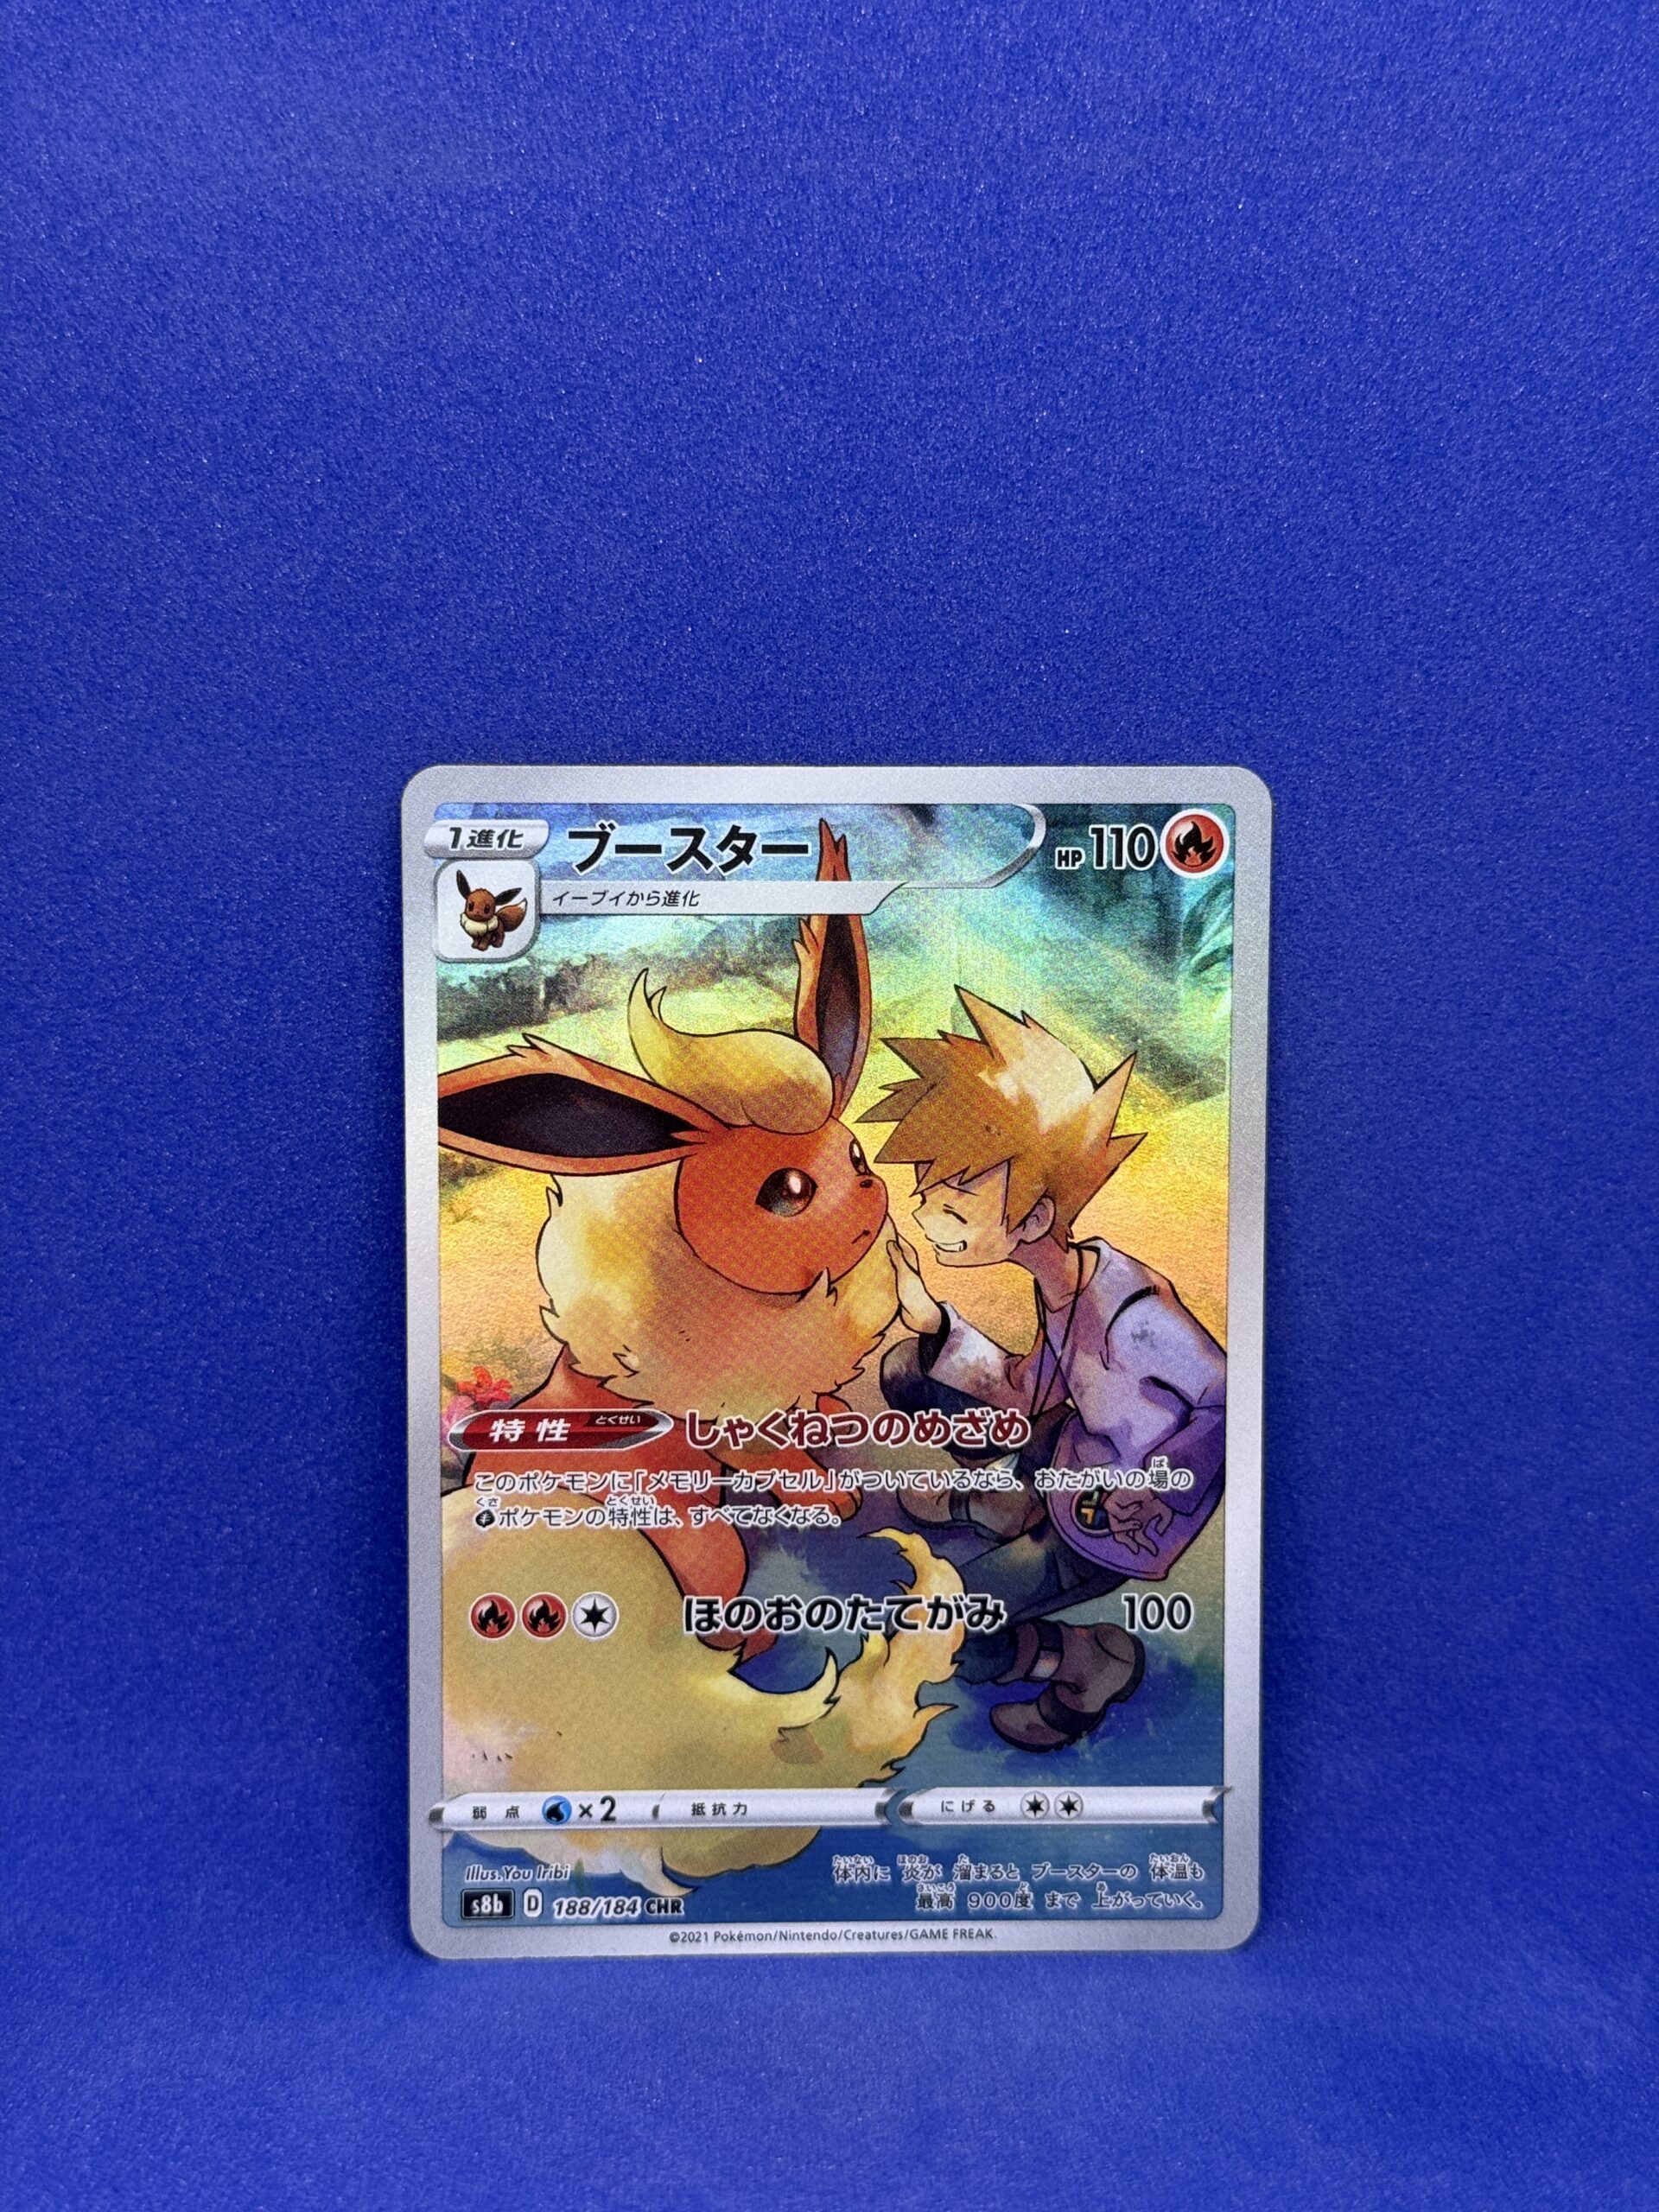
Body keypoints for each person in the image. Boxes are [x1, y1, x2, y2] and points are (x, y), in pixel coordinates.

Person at [866, 990, 1226, 1751]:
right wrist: (934, 1322)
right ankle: (1003, 1505)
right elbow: (1030, 1389)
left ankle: (1092, 1664)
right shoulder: (1062, 1282)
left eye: (953, 1209)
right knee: (910, 1369)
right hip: (1069, 1457)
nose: (928, 1219)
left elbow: (1228, 1400)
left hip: (1117, 1519)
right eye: (930, 1196)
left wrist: (1157, 1485)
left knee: (952, 1635)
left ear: (1032, 1218)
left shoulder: (1134, 1313)